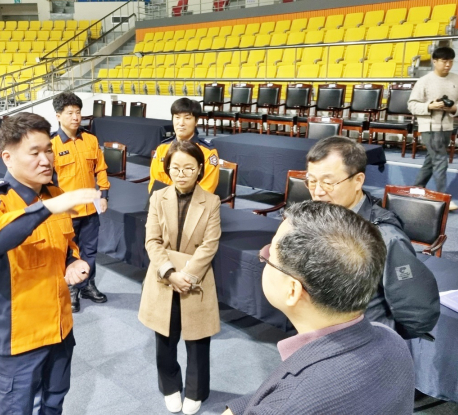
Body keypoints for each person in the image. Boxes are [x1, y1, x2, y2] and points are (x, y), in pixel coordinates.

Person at [0, 113, 100, 414]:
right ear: (8, 158)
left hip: (60, 331)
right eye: (34, 152)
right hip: (19, 340)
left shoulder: (54, 195)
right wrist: (46, 208)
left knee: (54, 403)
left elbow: (66, 243)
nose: (46, 159)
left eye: (48, 150)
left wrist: (72, 261)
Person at [224, 201, 415, 414]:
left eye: (270, 253)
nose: (263, 255)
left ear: (292, 290)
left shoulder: (287, 406)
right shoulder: (392, 340)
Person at [306, 136, 440, 339]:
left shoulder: (385, 237)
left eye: (328, 183)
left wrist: (385, 339)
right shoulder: (321, 213)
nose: (317, 192)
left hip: (362, 340)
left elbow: (418, 312)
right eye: (311, 181)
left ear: (358, 180)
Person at [139, 140, 222, 415]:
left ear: (199, 169)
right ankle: (170, 387)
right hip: (163, 276)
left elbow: (210, 244)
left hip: (195, 278)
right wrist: (169, 273)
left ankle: (197, 391)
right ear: (167, 169)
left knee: (198, 339)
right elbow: (152, 240)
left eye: (188, 168)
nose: (181, 173)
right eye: (175, 168)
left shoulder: (212, 201)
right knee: (164, 337)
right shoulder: (157, 197)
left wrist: (186, 275)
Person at [51, 92, 110, 312]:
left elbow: (101, 169)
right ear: (58, 116)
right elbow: (47, 180)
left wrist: (104, 195)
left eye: (78, 112)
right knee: (68, 252)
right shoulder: (52, 144)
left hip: (90, 208)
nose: (76, 117)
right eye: (70, 113)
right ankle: (71, 290)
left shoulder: (91, 140)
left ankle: (87, 285)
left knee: (90, 250)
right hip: (67, 212)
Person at [408, 46, 458, 211]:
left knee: (431, 159)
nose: (448, 65)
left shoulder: (457, 80)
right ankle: (443, 198)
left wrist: (454, 108)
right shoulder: (424, 81)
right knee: (440, 160)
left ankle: (416, 188)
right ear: (435, 61)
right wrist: (430, 106)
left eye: (451, 61)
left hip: (447, 126)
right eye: (444, 61)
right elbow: (412, 105)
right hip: (429, 126)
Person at [149, 97, 220, 193]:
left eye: (187, 118)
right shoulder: (162, 149)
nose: (181, 123)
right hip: (163, 200)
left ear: (196, 121)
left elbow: (206, 190)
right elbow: (154, 184)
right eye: (177, 117)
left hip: (193, 201)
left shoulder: (208, 153)